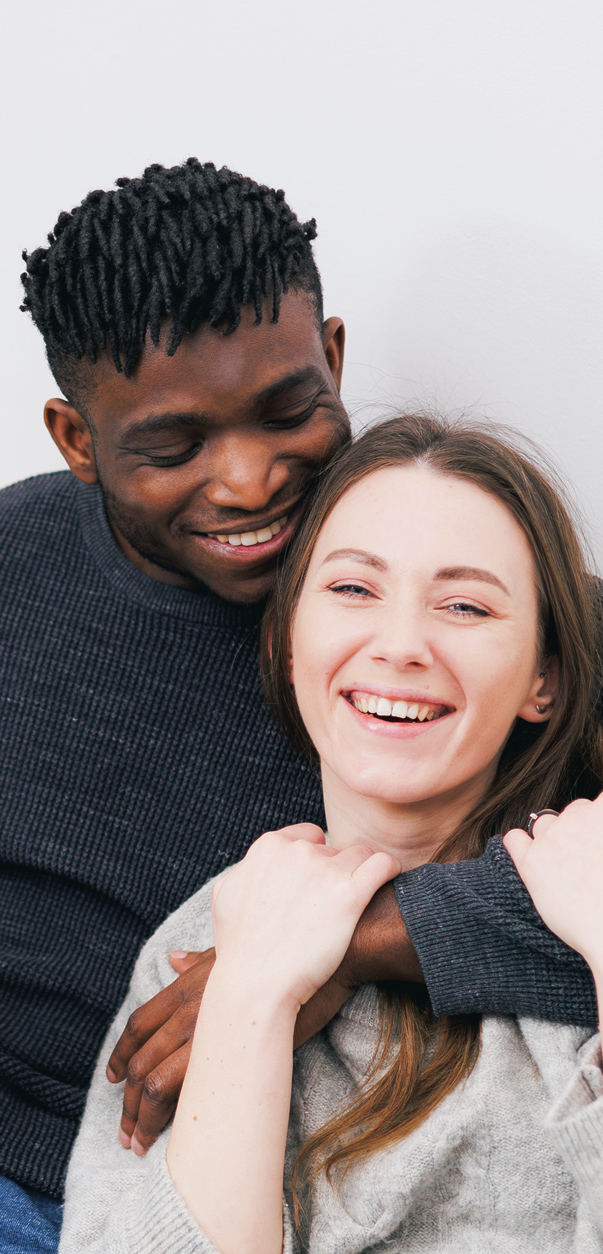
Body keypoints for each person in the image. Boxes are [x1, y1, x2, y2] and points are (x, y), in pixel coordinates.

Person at [0, 159, 596, 1250]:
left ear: (331, 357)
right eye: (174, 447)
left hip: (293, 1151)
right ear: (77, 441)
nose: (247, 481)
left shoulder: (483, 593)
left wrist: (360, 943)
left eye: (285, 412)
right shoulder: (15, 577)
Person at [60, 414, 603, 1252]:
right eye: (353, 588)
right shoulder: (204, 943)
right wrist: (252, 995)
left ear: (544, 677)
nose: (399, 644)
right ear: (284, 643)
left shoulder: (582, 911)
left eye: (463, 605)